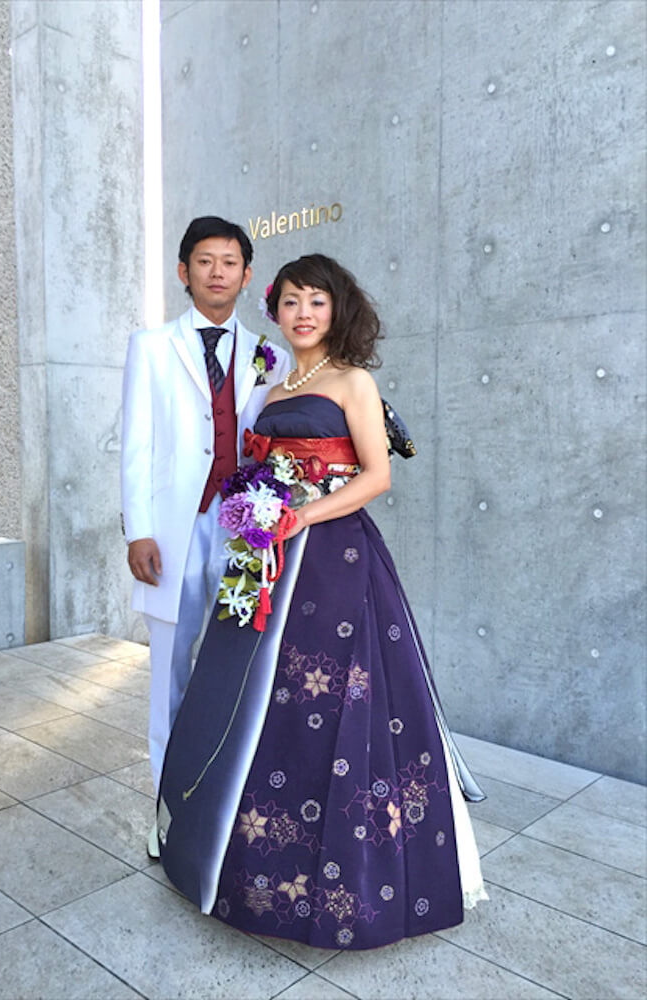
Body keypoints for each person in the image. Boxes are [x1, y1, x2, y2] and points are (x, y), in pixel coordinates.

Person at [155, 253, 488, 950]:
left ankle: (344, 882)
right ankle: (236, 866)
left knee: (328, 699)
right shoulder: (273, 389)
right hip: (263, 561)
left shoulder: (352, 380)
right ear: (274, 311)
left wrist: (301, 515)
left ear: (337, 309)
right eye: (291, 302)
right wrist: (254, 514)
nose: (303, 314)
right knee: (250, 699)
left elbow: (376, 476)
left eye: (317, 301)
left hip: (334, 561)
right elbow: (253, 468)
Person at [120, 217, 290, 856]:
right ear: (183, 271)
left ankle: (224, 808)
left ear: (247, 276)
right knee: (170, 671)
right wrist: (138, 531)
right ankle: (168, 814)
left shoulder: (269, 354)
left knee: (236, 669)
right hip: (172, 531)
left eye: (230, 262)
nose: (217, 272)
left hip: (243, 531)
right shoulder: (151, 346)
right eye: (204, 261)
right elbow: (136, 446)